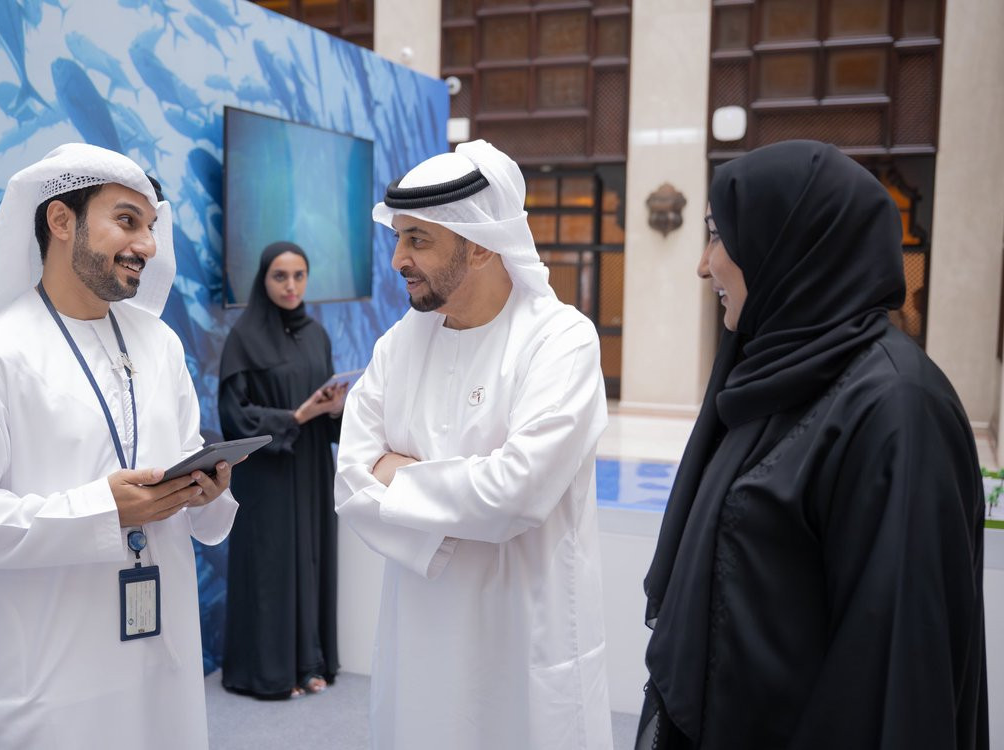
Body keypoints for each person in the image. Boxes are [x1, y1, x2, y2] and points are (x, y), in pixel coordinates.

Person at [638, 140, 988, 749]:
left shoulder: (897, 409)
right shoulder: (773, 377)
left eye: (719, 236)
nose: (703, 265)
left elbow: (897, 672)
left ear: (789, 242)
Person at [0, 143, 239, 748]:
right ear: (61, 220)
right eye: (127, 221)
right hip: (45, 675)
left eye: (151, 226)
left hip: (158, 660)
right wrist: (101, 510)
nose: (147, 245)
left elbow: (189, 470)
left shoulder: (159, 344)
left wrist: (203, 491)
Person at [334, 140, 613, 750]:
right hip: (418, 630)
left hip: (524, 633)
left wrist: (396, 476)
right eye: (399, 238)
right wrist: (463, 489)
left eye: (418, 240)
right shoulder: (398, 345)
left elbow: (516, 494)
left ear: (483, 243)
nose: (399, 259)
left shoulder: (560, 341)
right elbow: (350, 481)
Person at [218, 241, 346, 699]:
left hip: (310, 468)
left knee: (311, 558)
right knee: (272, 566)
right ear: (263, 279)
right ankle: (270, 672)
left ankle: (310, 663)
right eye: (280, 276)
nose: (291, 286)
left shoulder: (317, 335)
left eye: (298, 276)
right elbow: (234, 416)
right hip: (267, 473)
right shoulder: (243, 338)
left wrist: (333, 409)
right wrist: (296, 417)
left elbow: (323, 409)